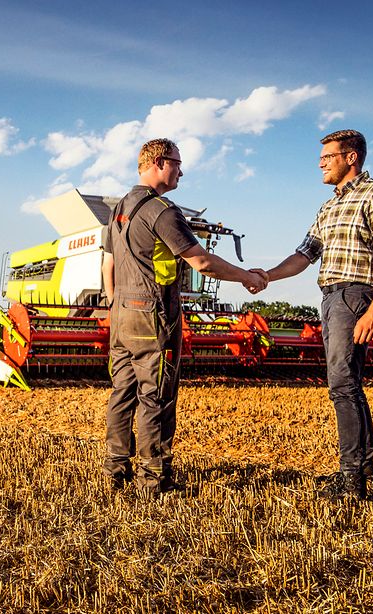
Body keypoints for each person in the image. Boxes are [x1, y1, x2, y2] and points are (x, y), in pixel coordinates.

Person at [101, 138, 267, 495]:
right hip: (153, 316)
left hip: (122, 315)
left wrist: (115, 306)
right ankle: (153, 479)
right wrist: (247, 277)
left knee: (122, 392)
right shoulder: (163, 211)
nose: (181, 170)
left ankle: (115, 469)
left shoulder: (117, 211)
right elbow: (201, 261)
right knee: (156, 396)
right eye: (177, 163)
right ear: (160, 162)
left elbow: (108, 264)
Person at [260, 129, 373, 500]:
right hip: (330, 298)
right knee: (348, 382)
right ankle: (365, 465)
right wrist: (267, 276)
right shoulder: (329, 206)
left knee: (342, 384)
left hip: (356, 295)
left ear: (351, 158)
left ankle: (351, 477)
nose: (321, 163)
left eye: (328, 157)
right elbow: (304, 254)